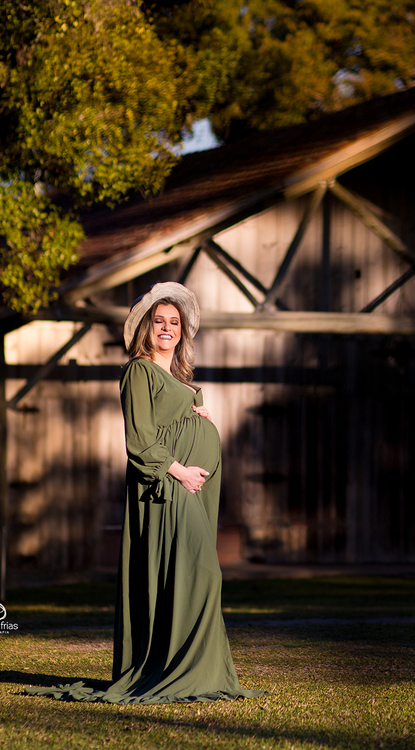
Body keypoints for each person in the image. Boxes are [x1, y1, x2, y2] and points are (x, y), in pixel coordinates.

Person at [24, 282, 263, 703]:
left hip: (191, 487)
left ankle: (196, 670)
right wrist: (180, 472)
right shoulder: (138, 370)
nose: (167, 328)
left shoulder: (182, 380)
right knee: (202, 573)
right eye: (159, 321)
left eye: (174, 322)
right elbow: (140, 439)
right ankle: (177, 670)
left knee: (196, 574)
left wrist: (202, 419)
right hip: (166, 489)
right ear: (146, 329)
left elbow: (176, 424)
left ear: (183, 331)